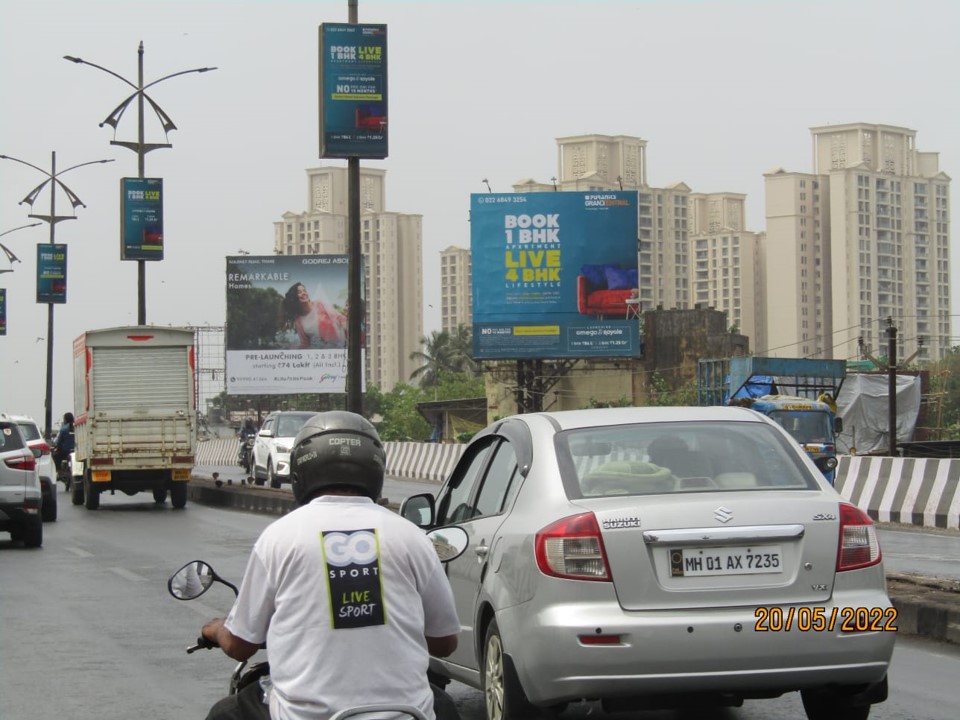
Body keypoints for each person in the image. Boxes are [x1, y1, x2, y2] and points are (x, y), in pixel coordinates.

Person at [201, 411, 461, 720]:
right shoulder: (412, 537)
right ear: (375, 470)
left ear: (300, 471)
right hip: (406, 715)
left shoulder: (280, 537)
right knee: (444, 706)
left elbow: (241, 645)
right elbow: (444, 643)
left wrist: (216, 630)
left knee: (224, 713)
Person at [281, 282, 347, 349]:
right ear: (294, 297)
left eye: (304, 290)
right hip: (324, 354)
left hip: (341, 347)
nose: (304, 293)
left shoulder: (319, 304)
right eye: (299, 292)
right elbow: (305, 344)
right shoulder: (298, 322)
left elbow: (339, 318)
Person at [52, 412, 75, 479]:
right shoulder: (76, 426)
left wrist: (56, 447)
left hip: (66, 451)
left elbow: (58, 442)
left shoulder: (64, 429)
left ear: (65, 420)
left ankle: (59, 472)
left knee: (55, 456)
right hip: (76, 451)